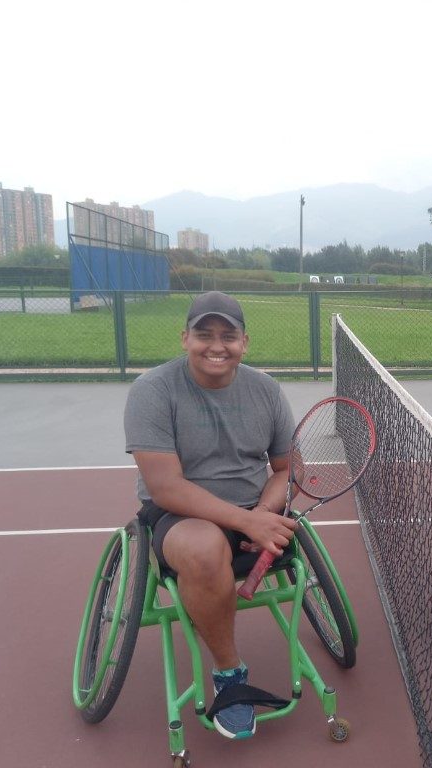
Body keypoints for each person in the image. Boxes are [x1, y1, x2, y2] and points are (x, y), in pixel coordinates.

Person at [124, 291, 298, 740]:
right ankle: (228, 673)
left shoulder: (267, 390)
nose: (216, 346)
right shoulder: (153, 390)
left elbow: (286, 470)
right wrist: (248, 524)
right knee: (204, 549)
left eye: (228, 336)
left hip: (251, 509)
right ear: (185, 339)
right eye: (204, 334)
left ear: (245, 342)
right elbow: (165, 486)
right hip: (178, 515)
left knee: (241, 533)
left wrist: (262, 513)